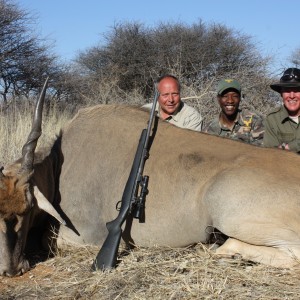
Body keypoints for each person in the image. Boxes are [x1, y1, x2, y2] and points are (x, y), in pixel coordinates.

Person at [204, 79, 264, 145]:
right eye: (225, 96)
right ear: (218, 99)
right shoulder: (209, 128)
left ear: (240, 98)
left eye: (235, 96)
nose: (230, 100)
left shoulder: (254, 121)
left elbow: (262, 151)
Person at [263, 68, 300, 152]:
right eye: (287, 90)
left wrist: (289, 147)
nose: (291, 96)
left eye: (297, 90)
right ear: (281, 94)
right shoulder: (272, 118)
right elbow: (271, 153)